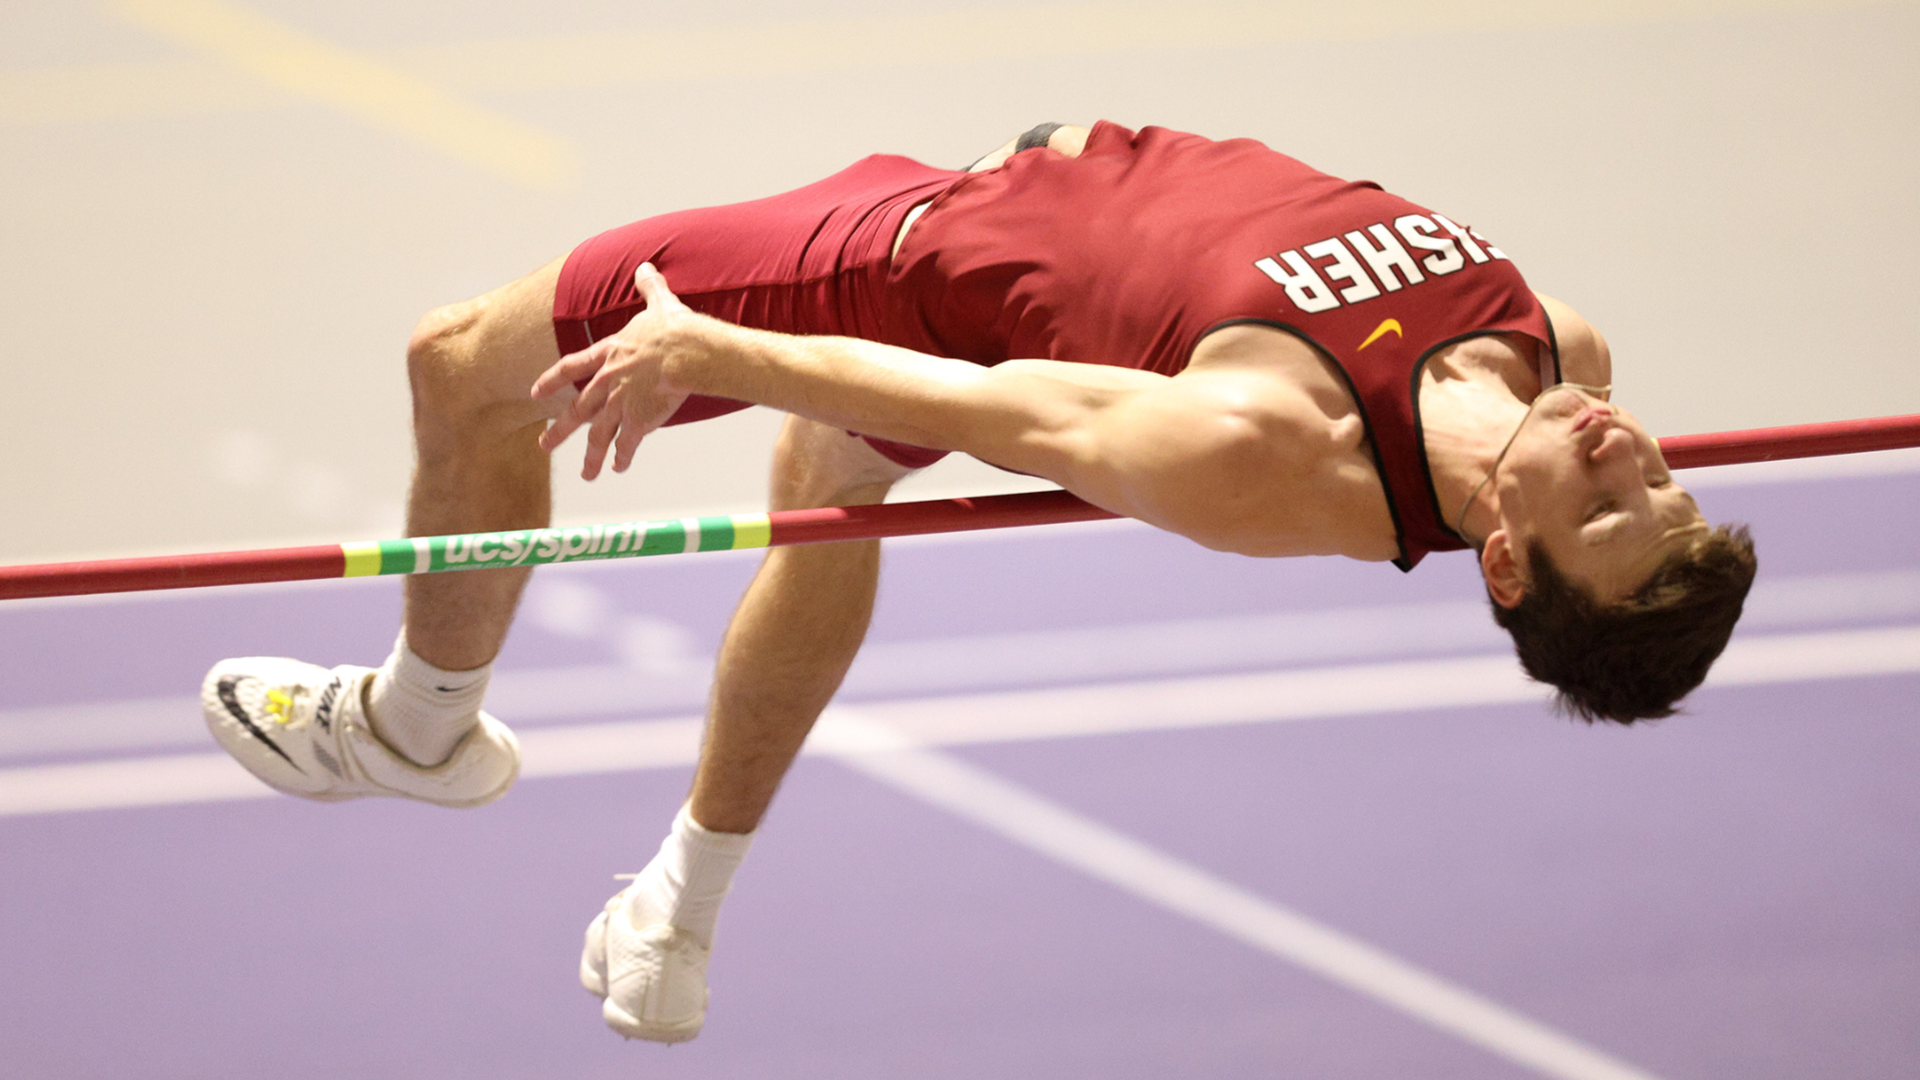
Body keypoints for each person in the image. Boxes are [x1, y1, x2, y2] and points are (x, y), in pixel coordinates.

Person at [200, 121, 1756, 1044]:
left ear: (1502, 561)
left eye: (1614, 507)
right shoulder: (1565, 350)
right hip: (1024, 202)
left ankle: (420, 726)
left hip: (916, 261)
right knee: (831, 491)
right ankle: (680, 911)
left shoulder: (1259, 445)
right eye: (1669, 482)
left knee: (461, 366)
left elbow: (988, 399)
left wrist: (707, 349)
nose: (1632, 454)